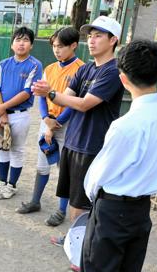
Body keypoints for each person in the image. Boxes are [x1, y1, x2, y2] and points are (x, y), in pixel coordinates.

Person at [79, 40, 157, 272]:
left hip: (112, 210)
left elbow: (97, 179)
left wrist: (99, 202)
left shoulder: (126, 126)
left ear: (123, 79)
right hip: (141, 210)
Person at [32, 16, 125, 249]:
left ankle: (83, 248)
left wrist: (50, 93)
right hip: (74, 141)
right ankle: (76, 240)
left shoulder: (112, 72)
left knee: (85, 202)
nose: (92, 41)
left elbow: (83, 104)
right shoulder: (86, 69)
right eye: (90, 36)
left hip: (92, 145)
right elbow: (70, 97)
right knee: (75, 198)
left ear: (113, 40)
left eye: (99, 36)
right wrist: (49, 105)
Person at [15, 27, 85, 228]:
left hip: (66, 124)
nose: (57, 50)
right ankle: (35, 201)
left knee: (64, 171)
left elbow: (76, 102)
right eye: (54, 46)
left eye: (61, 46)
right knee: (42, 164)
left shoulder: (81, 69)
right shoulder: (50, 68)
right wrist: (46, 119)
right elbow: (41, 94)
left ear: (73, 46)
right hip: (48, 123)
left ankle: (62, 210)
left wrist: (57, 123)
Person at [0, 27, 43, 200]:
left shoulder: (35, 64)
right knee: (2, 148)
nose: (21, 43)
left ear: (31, 45)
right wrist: (2, 112)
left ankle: (12, 185)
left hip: (20, 114)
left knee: (17, 150)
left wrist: (3, 107)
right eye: (18, 40)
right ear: (12, 44)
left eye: (25, 40)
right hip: (1, 113)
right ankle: (2, 182)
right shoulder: (4, 64)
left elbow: (27, 92)